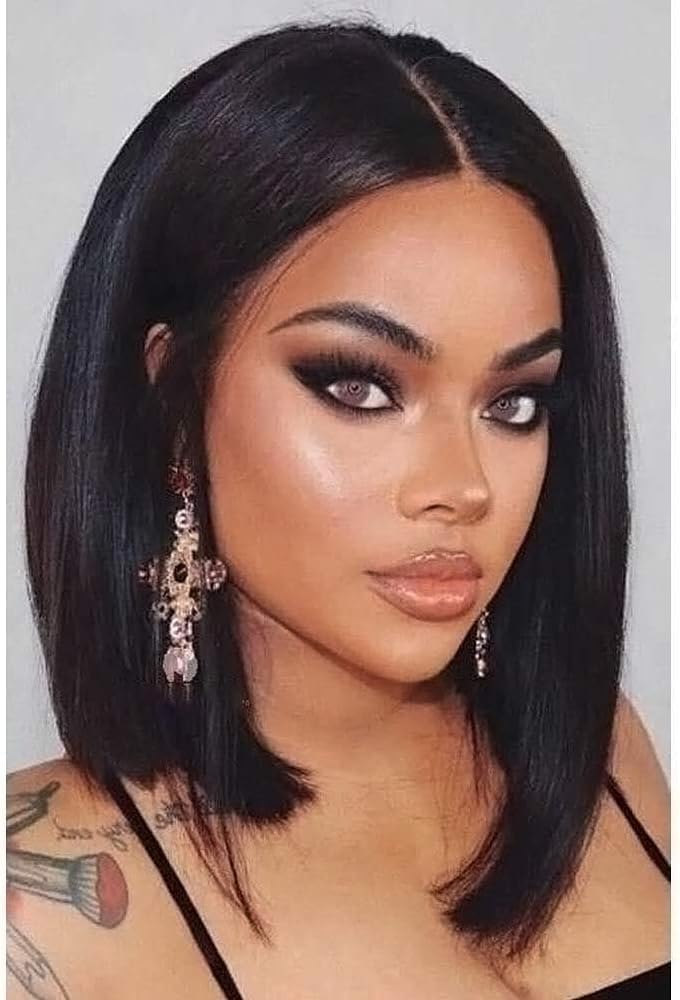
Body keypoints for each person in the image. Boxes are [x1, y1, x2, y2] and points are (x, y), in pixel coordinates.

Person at [7, 17, 670, 999]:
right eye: (359, 387)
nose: (462, 485)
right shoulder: (41, 911)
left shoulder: (604, 756)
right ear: (174, 402)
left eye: (513, 403)